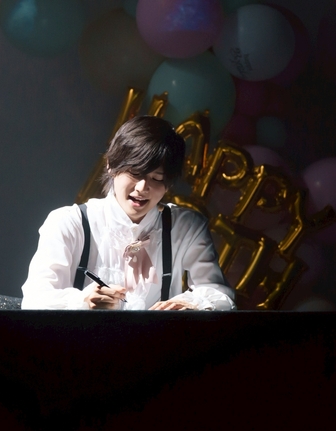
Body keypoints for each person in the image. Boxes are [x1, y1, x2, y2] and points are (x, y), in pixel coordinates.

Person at [21, 116, 236, 311]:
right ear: (110, 165)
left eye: (157, 178)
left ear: (169, 183)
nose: (142, 188)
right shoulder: (69, 222)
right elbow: (34, 300)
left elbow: (221, 295)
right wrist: (83, 301)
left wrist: (191, 305)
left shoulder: (186, 227)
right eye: (135, 173)